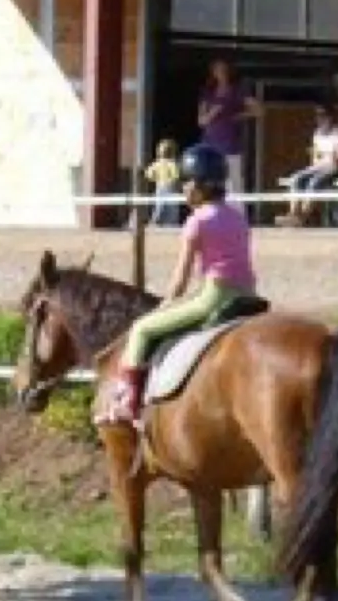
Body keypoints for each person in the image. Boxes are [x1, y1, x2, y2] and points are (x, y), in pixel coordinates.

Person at [98, 143, 257, 428]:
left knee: (142, 329)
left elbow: (181, 278)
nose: (183, 189)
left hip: (214, 297)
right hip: (248, 295)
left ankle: (129, 403)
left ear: (197, 186)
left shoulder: (197, 222)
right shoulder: (238, 216)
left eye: (185, 183)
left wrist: (165, 304)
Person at [196, 59, 260, 200]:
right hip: (210, 144)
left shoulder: (237, 90)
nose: (221, 73)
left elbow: (259, 110)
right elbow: (201, 121)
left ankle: (237, 217)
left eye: (224, 69)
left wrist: (239, 116)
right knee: (210, 181)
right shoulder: (208, 92)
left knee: (234, 182)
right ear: (213, 72)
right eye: (218, 70)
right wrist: (214, 112)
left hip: (230, 143)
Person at [276, 105, 338, 227]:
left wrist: (325, 155)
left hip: (335, 168)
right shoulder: (317, 133)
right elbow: (315, 157)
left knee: (314, 182)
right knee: (296, 178)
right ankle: (293, 213)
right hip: (318, 167)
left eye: (322, 116)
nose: (319, 119)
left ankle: (303, 216)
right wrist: (319, 156)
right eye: (318, 116)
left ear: (330, 117)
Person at [143, 139, 183, 228]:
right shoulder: (173, 164)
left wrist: (156, 179)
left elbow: (148, 174)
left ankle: (156, 222)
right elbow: (176, 177)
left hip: (160, 186)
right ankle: (171, 224)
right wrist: (179, 187)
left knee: (159, 206)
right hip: (171, 188)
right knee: (172, 209)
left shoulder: (157, 164)